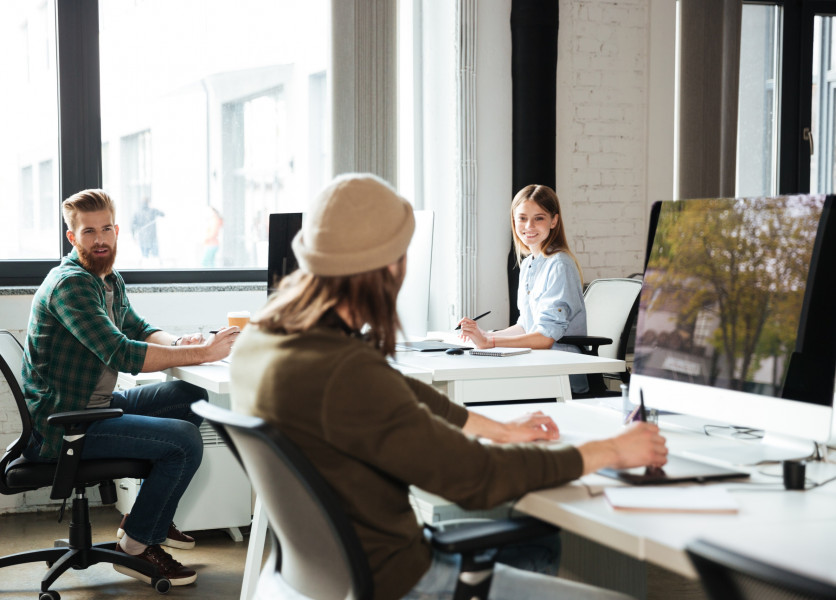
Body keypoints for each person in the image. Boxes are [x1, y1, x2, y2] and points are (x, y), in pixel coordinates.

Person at [227, 173, 668, 600]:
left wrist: (502, 429)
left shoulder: (262, 341)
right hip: (401, 581)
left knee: (537, 542)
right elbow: (479, 478)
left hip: (311, 579)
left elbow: (398, 390)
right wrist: (609, 451)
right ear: (390, 265)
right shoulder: (346, 373)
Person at [21, 189, 240, 587]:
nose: (100, 239)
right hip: (66, 423)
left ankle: (142, 521)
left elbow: (138, 329)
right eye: (89, 232)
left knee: (189, 398)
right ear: (72, 238)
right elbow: (121, 353)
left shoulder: (107, 278)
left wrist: (180, 344)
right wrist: (204, 354)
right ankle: (136, 547)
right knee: (185, 441)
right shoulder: (72, 285)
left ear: (118, 230)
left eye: (106, 229)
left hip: (94, 404)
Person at [459, 184, 589, 393]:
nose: (529, 226)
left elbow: (545, 338)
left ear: (553, 220)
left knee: (477, 392)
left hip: (558, 376)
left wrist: (490, 342)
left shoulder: (560, 265)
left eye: (539, 218)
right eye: (522, 218)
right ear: (514, 220)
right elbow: (526, 326)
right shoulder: (529, 264)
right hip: (535, 366)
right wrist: (483, 335)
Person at [130, 197, 165, 262]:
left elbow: (132, 226)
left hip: (143, 239)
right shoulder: (152, 211)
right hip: (152, 238)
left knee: (145, 257)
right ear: (148, 202)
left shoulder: (137, 212)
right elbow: (163, 214)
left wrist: (133, 236)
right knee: (154, 257)